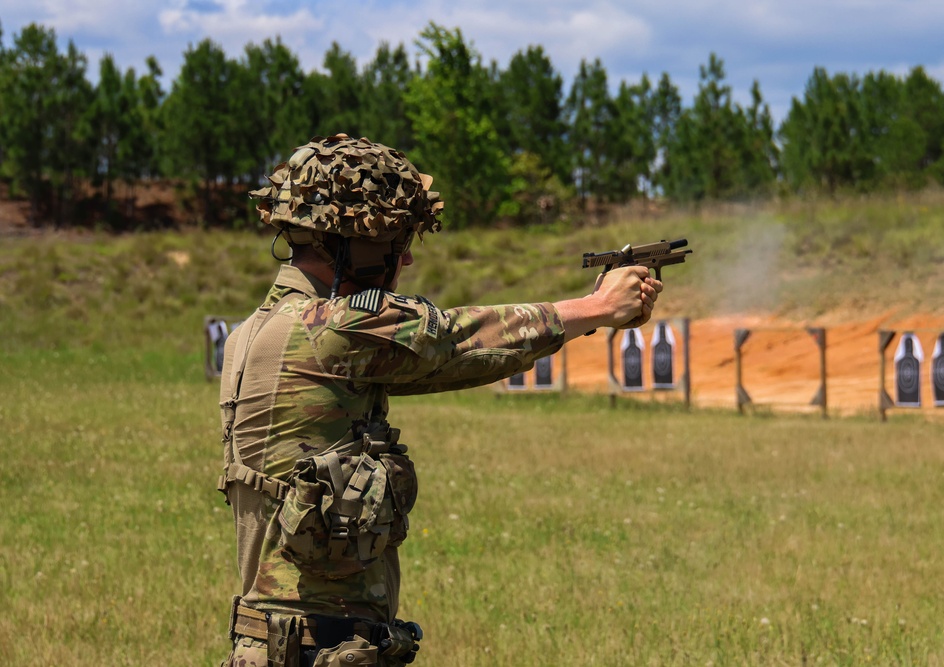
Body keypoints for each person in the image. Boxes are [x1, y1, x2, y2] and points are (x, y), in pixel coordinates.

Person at [217, 134, 662, 667]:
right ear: (350, 242)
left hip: (281, 641)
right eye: (394, 240)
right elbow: (456, 341)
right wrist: (595, 307)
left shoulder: (256, 330)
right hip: (320, 645)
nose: (404, 257)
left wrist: (587, 316)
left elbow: (457, 362)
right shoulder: (329, 329)